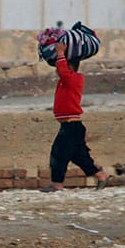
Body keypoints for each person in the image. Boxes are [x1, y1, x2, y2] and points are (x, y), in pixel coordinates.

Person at [41, 40, 114, 192]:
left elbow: (63, 71)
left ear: (70, 67)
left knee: (58, 154)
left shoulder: (75, 79)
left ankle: (57, 184)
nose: (57, 69)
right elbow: (61, 71)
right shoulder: (64, 81)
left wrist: (60, 52)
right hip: (69, 126)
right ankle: (100, 175)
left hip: (71, 127)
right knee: (79, 156)